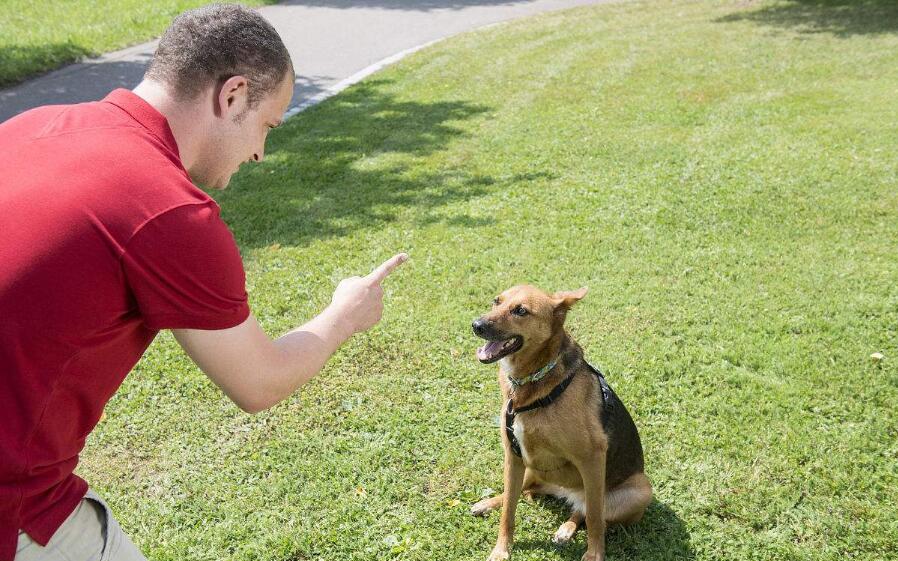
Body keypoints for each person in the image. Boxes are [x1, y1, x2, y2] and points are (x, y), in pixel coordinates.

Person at [0, 4, 407, 560]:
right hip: (15, 509)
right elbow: (257, 382)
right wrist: (346, 312)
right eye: (267, 126)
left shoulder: (29, 126)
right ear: (233, 94)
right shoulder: (169, 212)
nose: (261, 152)